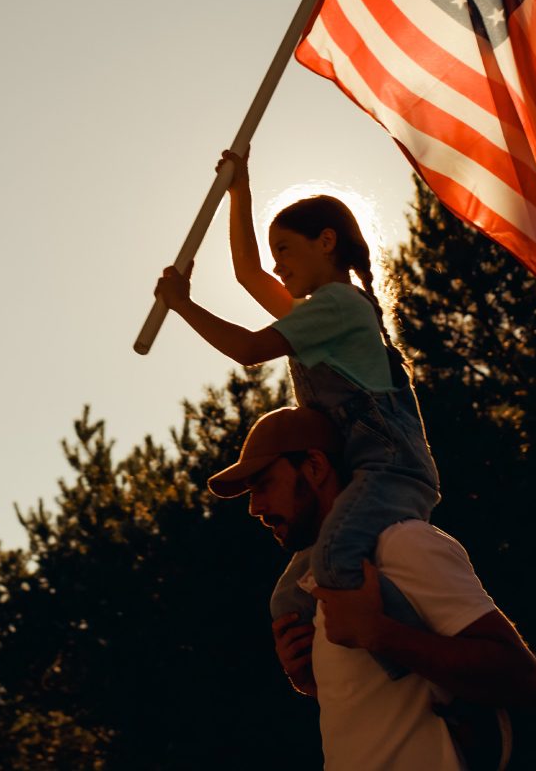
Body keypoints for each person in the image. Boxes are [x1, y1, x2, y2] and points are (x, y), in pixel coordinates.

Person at [154, 149, 440, 673]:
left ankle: (426, 663)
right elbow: (247, 273)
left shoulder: (338, 306)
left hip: (389, 471)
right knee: (289, 596)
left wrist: (182, 304)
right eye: (275, 252)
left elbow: (246, 349)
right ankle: (320, 678)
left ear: (326, 242)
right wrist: (240, 191)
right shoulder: (321, 314)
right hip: (361, 477)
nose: (278, 264)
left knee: (331, 561)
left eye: (285, 249)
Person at [207, 406, 536, 771]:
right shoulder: (320, 584)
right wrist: (311, 682)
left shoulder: (404, 543)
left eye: (264, 485)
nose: (255, 508)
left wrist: (380, 634)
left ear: (315, 467)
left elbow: (524, 679)